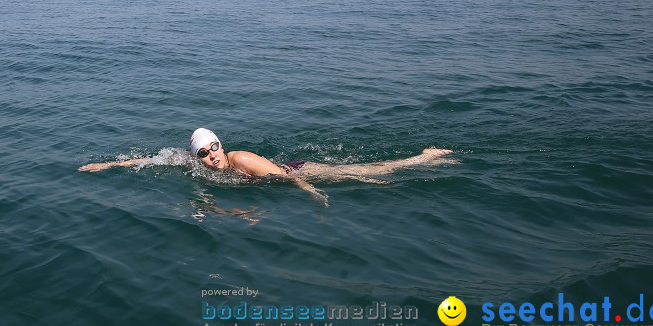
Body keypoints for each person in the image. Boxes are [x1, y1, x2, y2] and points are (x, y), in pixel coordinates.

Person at [78, 128, 456, 207]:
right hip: (281, 174)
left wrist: (313, 192)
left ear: (221, 145)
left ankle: (424, 157)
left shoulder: (240, 160)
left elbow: (287, 177)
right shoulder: (193, 163)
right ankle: (420, 158)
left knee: (371, 173)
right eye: (203, 154)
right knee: (367, 172)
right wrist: (110, 164)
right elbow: (151, 160)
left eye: (214, 148)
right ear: (194, 157)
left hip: (295, 170)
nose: (211, 156)